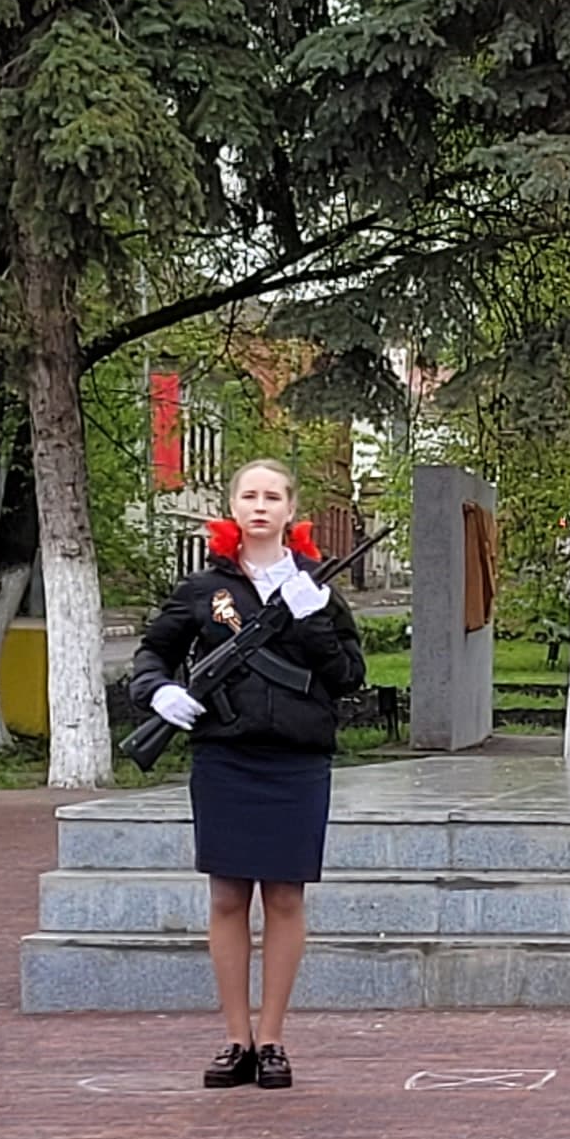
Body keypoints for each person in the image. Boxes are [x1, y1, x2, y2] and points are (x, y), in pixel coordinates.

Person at [124, 458, 364, 1090]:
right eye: (249, 495)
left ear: (291, 509)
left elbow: (348, 676)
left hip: (296, 761)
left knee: (285, 897)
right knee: (229, 896)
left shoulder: (317, 585)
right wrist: (158, 693)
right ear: (232, 507)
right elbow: (151, 654)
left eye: (273, 496)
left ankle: (275, 1039)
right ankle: (236, 1039)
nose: (261, 506)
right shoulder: (205, 590)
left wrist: (313, 620)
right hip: (226, 758)